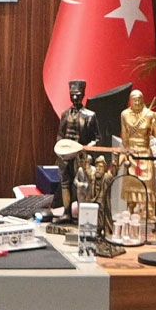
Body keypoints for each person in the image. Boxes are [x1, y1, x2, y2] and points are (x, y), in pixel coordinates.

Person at [55, 79, 100, 220]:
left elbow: (97, 138)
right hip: (65, 157)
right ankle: (66, 213)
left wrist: (85, 149)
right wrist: (61, 150)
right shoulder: (65, 114)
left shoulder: (90, 116)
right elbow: (60, 135)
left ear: (83, 95)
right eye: (72, 94)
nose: (75, 97)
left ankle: (83, 216)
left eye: (78, 95)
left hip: (81, 157)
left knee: (82, 186)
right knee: (65, 184)